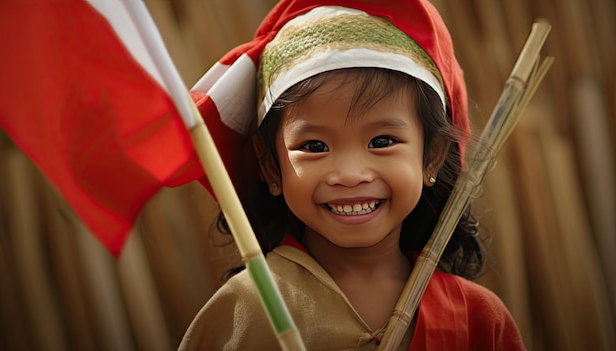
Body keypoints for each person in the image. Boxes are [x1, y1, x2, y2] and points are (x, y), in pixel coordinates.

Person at [180, 0, 526, 350]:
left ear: (431, 157)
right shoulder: (244, 315)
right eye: (314, 146)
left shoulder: (479, 320)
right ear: (271, 166)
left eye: (381, 141)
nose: (349, 175)